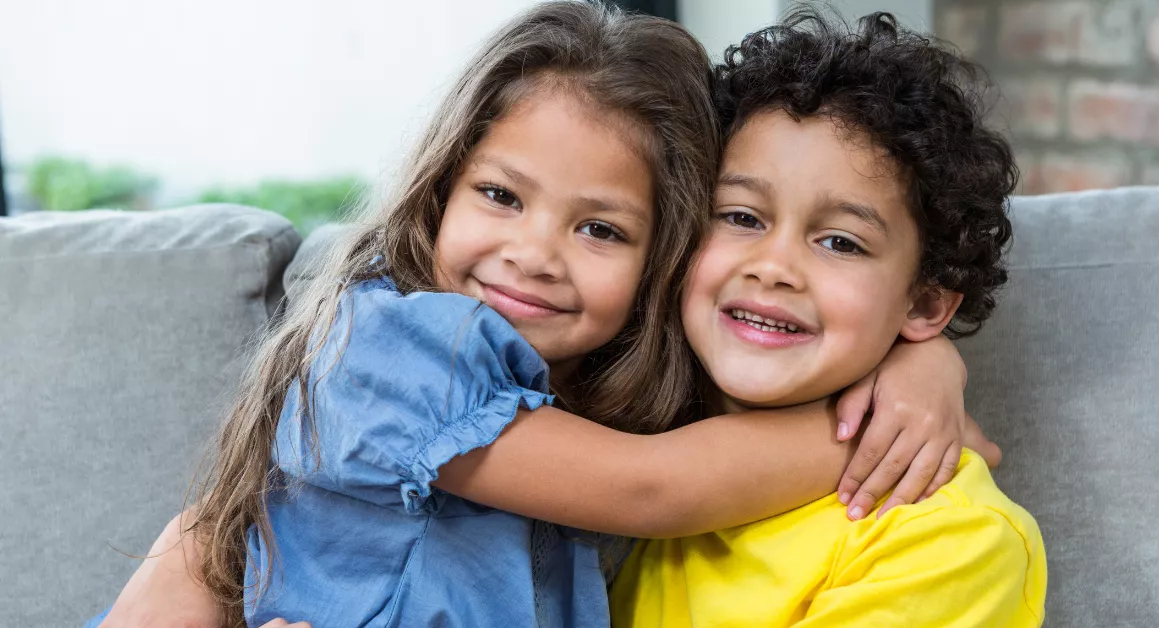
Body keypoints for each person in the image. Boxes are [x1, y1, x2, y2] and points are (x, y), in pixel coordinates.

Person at [91, 3, 998, 627]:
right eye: (499, 195)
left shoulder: (600, 388)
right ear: (437, 191)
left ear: (664, 260)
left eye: (601, 228)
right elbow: (655, 488)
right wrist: (889, 423)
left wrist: (920, 364)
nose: (534, 253)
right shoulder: (396, 347)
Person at [610, 9, 1047, 627]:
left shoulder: (947, 541)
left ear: (923, 303)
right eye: (740, 216)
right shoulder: (634, 406)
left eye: (841, 242)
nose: (774, 266)